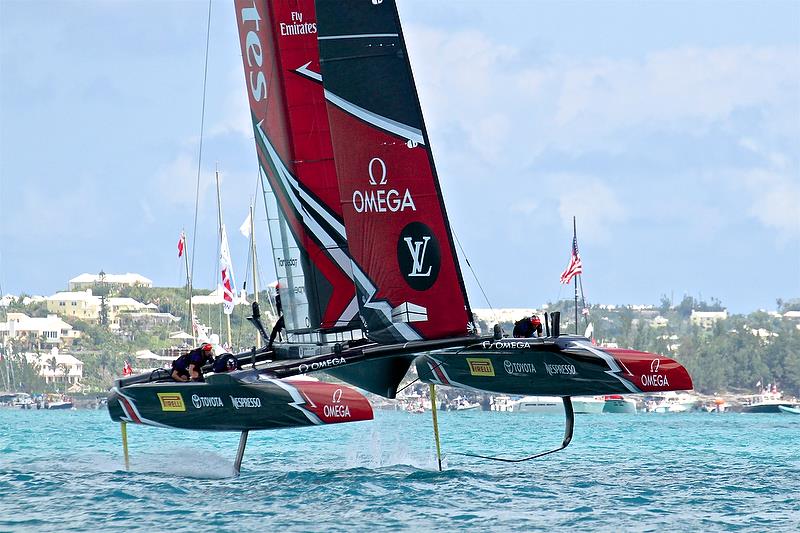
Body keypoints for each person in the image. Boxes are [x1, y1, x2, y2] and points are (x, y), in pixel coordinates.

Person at [267, 284, 285, 350]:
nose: (278, 291)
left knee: (278, 327)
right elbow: (278, 309)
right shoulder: (277, 298)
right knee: (275, 328)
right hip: (284, 316)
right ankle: (270, 344)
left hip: (289, 316)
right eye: (277, 290)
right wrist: (279, 316)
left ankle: (271, 344)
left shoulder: (287, 296)